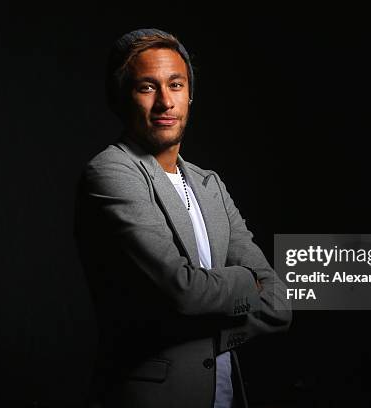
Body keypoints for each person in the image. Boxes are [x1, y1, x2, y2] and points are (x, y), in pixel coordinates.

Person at [74, 28, 291, 408]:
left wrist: (213, 334)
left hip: (224, 394)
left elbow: (278, 302)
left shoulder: (210, 184)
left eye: (175, 85)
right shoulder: (111, 172)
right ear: (121, 97)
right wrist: (247, 283)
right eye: (146, 87)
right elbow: (184, 291)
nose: (164, 102)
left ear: (190, 94)